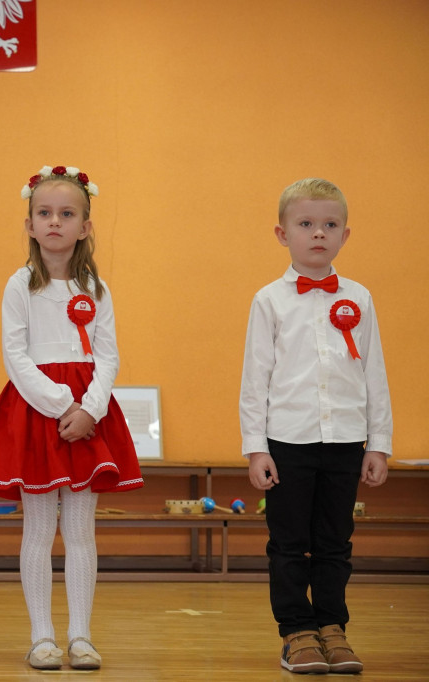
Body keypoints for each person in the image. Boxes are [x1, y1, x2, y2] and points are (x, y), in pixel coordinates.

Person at [0, 166, 143, 671]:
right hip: (37, 413)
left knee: (82, 530)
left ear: (85, 226)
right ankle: (42, 636)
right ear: (29, 225)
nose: (55, 222)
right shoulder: (19, 285)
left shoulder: (98, 287)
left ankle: (82, 636)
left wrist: (89, 409)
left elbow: (109, 356)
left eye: (67, 214)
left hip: (88, 416)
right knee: (39, 529)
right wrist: (60, 405)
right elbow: (14, 355)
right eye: (44, 214)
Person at [240, 177, 391, 675]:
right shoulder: (269, 301)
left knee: (334, 540)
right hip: (288, 441)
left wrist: (379, 443)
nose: (318, 234)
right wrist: (255, 448)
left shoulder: (361, 298)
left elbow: (374, 374)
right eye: (306, 224)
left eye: (329, 225)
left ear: (345, 235)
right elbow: (255, 378)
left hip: (346, 440)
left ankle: (332, 627)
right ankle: (296, 633)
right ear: (283, 234)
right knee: (287, 542)